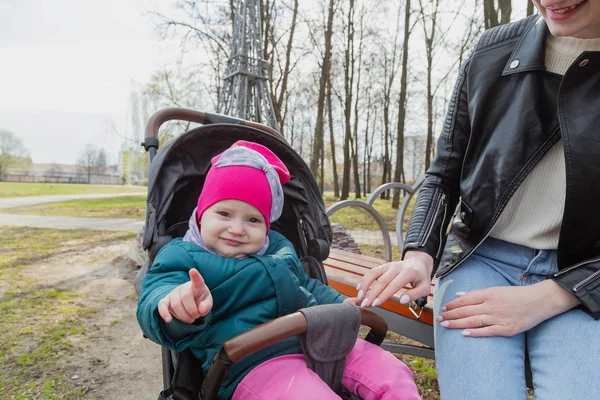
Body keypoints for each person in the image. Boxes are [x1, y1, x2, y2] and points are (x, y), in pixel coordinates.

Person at [357, 1, 600, 398]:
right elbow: (444, 174)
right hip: (481, 260)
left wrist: (550, 297)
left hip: (583, 275)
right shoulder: (492, 51)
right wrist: (419, 254)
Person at [137, 140, 421, 400]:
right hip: (253, 364)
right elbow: (156, 291)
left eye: (253, 219)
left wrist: (340, 304)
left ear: (267, 225)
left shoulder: (279, 249)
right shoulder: (184, 256)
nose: (237, 229)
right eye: (224, 213)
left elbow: (308, 286)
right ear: (201, 213)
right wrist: (176, 306)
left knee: (391, 372)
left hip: (320, 341)